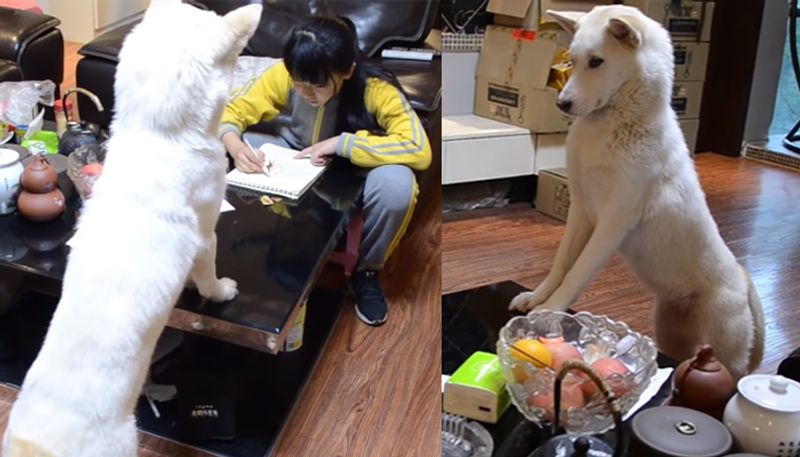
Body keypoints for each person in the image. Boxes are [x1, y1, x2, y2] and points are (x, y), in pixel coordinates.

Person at [218, 16, 431, 326]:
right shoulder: (284, 75)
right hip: (302, 155)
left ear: (347, 71)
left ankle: (367, 271)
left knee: (398, 185)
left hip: (359, 167)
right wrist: (236, 147)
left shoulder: (376, 90)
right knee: (246, 142)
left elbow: (418, 148)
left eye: (317, 83)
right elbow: (233, 110)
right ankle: (239, 242)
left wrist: (343, 144)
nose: (305, 92)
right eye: (297, 80)